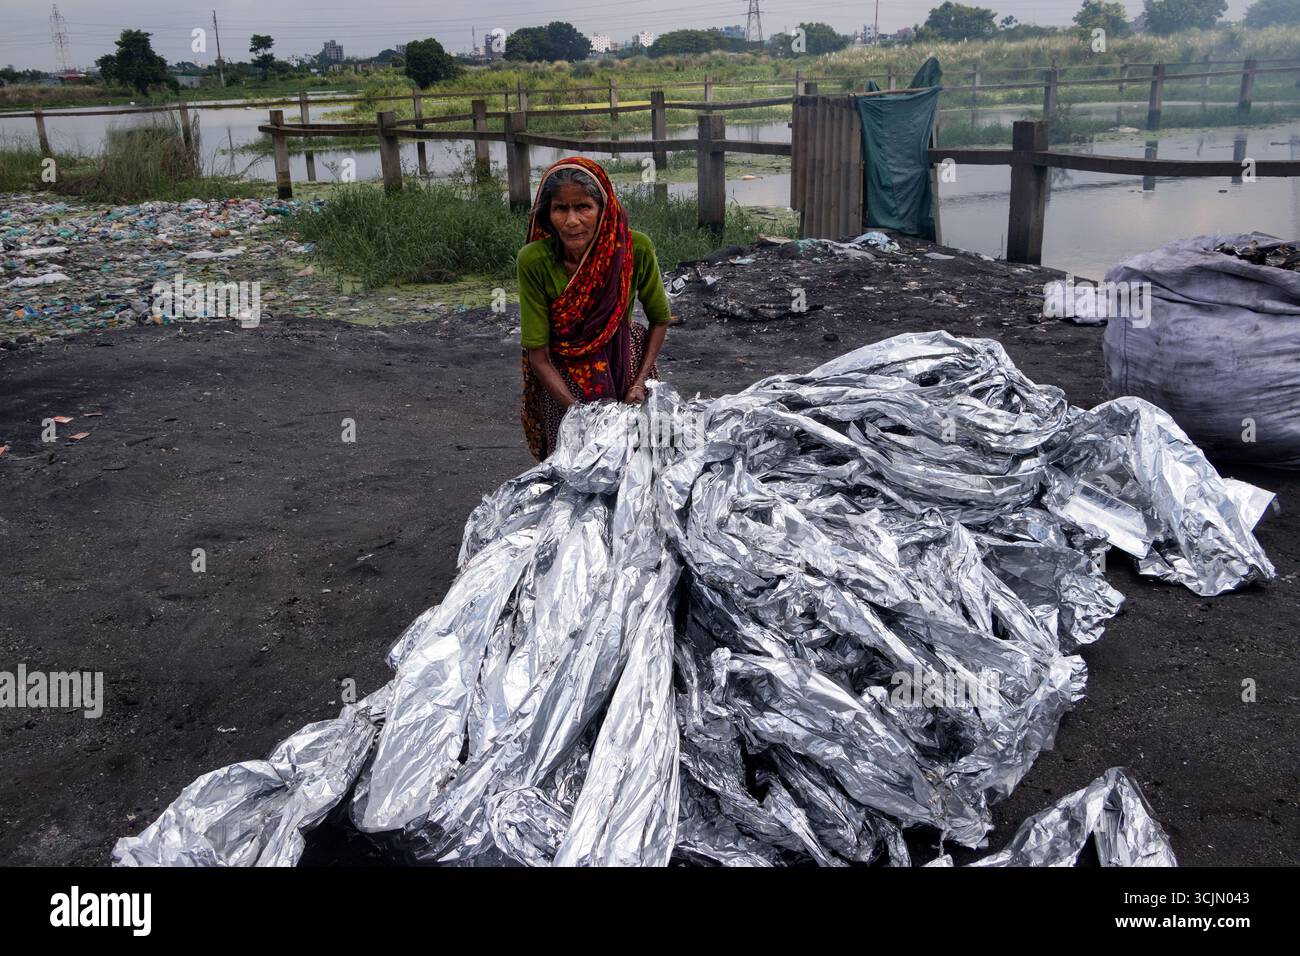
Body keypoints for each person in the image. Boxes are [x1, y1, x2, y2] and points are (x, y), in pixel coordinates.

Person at [517, 156, 672, 461]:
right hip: (563, 378)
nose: (572, 221)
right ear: (548, 214)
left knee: (639, 462)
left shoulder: (634, 248)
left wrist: (639, 382)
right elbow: (539, 354)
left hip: (627, 366)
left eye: (583, 207)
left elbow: (659, 319)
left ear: (603, 210)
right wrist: (578, 412)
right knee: (574, 465)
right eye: (561, 208)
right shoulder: (533, 261)